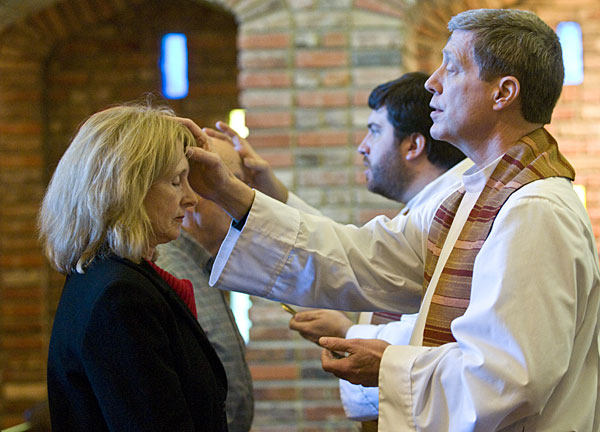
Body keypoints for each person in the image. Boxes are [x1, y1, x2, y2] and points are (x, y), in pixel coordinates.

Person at [183, 8, 600, 430]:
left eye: (452, 68)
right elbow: (366, 257)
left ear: (502, 93)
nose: (433, 82)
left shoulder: (533, 209)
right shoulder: (473, 195)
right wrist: (229, 194)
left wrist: (390, 365)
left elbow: (509, 381)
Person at [208, 72, 467, 424]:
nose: (362, 145)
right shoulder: (433, 204)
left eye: (375, 131)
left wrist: (349, 333)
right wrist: (274, 194)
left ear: (414, 145)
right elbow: (359, 253)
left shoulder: (453, 208)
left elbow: (444, 335)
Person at [39, 104, 228, 431]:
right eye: (175, 181)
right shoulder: (121, 296)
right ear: (126, 188)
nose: (191, 198)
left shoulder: (113, 277)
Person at [156, 139, 254, 432]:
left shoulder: (202, 264)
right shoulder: (168, 271)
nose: (246, 196)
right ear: (191, 193)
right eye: (229, 182)